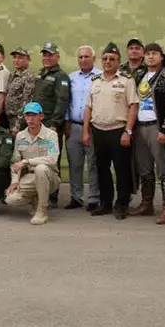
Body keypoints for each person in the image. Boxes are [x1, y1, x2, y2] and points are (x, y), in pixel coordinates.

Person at [83, 42, 137, 219]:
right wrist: (86, 132)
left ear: (118, 61)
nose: (108, 62)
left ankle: (122, 204)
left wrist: (127, 131)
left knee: (122, 170)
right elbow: (88, 108)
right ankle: (106, 203)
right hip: (99, 131)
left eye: (112, 59)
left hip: (118, 131)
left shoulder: (126, 80)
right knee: (102, 169)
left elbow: (133, 106)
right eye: (105, 59)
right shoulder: (95, 81)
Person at [130, 42, 165, 223]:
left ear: (161, 57)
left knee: (164, 170)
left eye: (154, 54)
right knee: (144, 168)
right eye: (148, 54)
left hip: (157, 127)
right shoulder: (139, 76)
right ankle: (147, 204)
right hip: (140, 127)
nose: (151, 56)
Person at [5, 102, 61, 225]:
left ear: (41, 116)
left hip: (49, 176)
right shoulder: (20, 136)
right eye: (28, 115)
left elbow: (52, 159)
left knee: (40, 168)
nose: (30, 119)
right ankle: (35, 199)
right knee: (10, 199)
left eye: (34, 115)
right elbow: (15, 162)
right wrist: (14, 181)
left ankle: (42, 210)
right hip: (29, 177)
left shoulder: (51, 135)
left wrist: (27, 161)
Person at [33, 42, 70, 204]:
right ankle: (40, 191)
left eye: (50, 55)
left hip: (50, 124)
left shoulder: (61, 77)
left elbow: (62, 101)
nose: (47, 58)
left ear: (57, 57)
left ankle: (53, 195)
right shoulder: (40, 74)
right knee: (39, 158)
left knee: (52, 159)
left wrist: (55, 124)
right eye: (45, 54)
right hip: (37, 124)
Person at [65, 45, 101, 210]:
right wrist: (66, 122)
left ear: (93, 58)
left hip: (93, 126)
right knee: (75, 164)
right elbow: (67, 100)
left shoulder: (101, 76)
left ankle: (94, 198)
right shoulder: (71, 77)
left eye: (86, 57)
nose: (83, 60)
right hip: (74, 126)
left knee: (93, 163)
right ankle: (76, 197)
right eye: (80, 57)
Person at [5, 47, 37, 133]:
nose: (17, 60)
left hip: (18, 121)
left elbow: (26, 102)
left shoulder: (29, 77)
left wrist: (18, 125)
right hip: (7, 119)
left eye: (20, 58)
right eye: (15, 57)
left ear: (28, 60)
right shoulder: (12, 75)